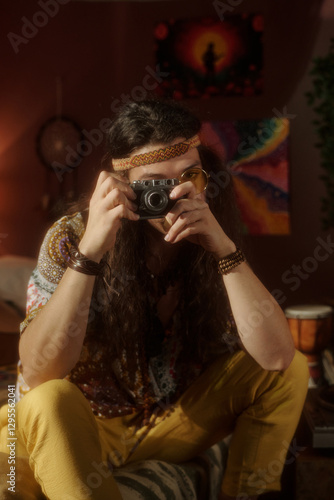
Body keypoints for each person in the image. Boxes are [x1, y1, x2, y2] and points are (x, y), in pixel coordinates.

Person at [0, 99, 308, 500]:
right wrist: (90, 253)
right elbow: (39, 372)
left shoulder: (212, 230)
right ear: (120, 185)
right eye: (155, 185)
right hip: (83, 427)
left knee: (294, 367)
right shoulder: (72, 236)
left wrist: (223, 250)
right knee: (43, 401)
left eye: (189, 177)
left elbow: (277, 359)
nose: (176, 195)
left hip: (166, 424)